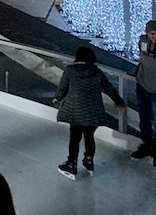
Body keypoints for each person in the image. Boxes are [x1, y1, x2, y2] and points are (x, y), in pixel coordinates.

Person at [53, 46, 126, 179]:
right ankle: (89, 161)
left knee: (74, 138)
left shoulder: (70, 70)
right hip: (93, 112)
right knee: (89, 136)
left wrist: (57, 98)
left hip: (75, 111)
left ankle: (71, 164)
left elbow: (62, 88)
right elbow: (109, 89)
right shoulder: (97, 72)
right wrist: (119, 102)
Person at [131, 19, 156, 162]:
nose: (155, 36)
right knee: (144, 118)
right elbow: (142, 59)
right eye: (152, 33)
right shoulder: (143, 42)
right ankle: (146, 145)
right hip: (143, 86)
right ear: (147, 33)